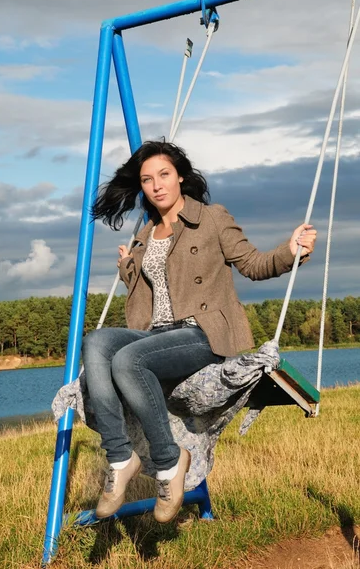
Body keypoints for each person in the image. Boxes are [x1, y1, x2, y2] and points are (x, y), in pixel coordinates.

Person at [82, 140, 317, 524]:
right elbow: (148, 294)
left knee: (127, 360)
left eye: (164, 175)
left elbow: (254, 264)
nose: (157, 185)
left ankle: (169, 462)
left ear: (180, 177)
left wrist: (291, 251)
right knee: (95, 343)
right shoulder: (146, 234)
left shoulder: (212, 218)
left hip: (200, 334)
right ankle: (121, 457)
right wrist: (128, 268)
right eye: (147, 179)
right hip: (155, 337)